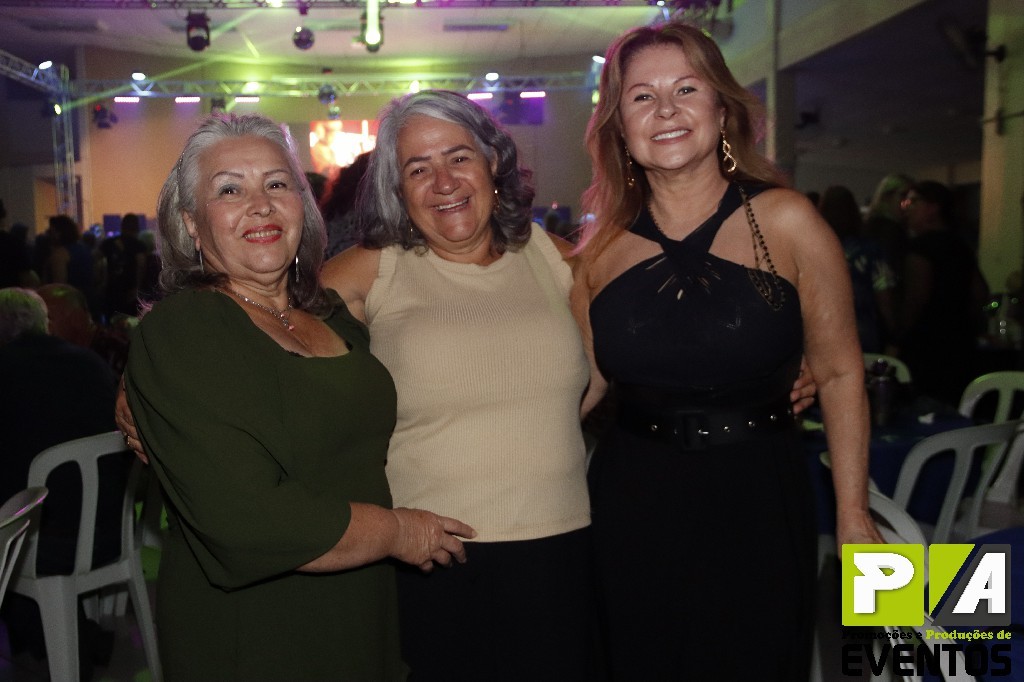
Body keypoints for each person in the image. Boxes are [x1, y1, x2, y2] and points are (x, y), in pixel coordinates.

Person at [571, 22, 882, 680]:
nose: (666, 110)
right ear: (618, 126)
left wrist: (853, 514)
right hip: (632, 501)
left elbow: (838, 371)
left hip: (758, 497)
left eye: (687, 89)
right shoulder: (598, 254)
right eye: (642, 97)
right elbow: (583, 388)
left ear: (721, 107)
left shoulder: (790, 221)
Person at [122, 113, 473, 681]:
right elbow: (245, 519)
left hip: (361, 609)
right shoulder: (185, 330)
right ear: (190, 224)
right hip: (257, 630)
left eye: (277, 184)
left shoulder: (330, 314)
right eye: (229, 190)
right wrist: (398, 531)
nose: (260, 205)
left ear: (302, 208)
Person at [321, 90, 596, 681]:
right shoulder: (377, 268)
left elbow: (623, 354)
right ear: (397, 189)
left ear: (493, 161)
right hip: (434, 557)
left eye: (458, 157)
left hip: (561, 548)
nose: (443, 182)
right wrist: (144, 382)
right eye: (418, 169)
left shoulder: (553, 257)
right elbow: (261, 326)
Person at [0, 286, 124, 679]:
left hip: (42, 546)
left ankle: (47, 640)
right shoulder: (90, 363)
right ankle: (66, 637)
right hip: (112, 534)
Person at [895, 180, 989, 404]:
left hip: (927, 345)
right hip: (960, 341)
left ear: (933, 207)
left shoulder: (921, 248)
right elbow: (980, 293)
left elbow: (916, 298)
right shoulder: (960, 245)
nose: (907, 208)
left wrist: (898, 337)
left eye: (913, 201)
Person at [818, 184, 896, 352]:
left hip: (821, 330)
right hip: (861, 332)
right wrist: (893, 334)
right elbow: (884, 296)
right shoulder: (871, 250)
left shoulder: (814, 249)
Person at [864, 173, 913, 284]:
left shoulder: (870, 225)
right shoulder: (889, 231)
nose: (908, 203)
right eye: (904, 195)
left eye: (911, 199)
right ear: (886, 197)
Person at [100, 212, 147, 319]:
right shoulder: (138, 245)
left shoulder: (108, 243)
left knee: (111, 322)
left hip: (111, 290)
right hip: (130, 291)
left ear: (122, 226)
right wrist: (138, 287)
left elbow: (98, 263)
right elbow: (141, 266)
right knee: (130, 322)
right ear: (137, 227)